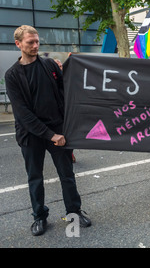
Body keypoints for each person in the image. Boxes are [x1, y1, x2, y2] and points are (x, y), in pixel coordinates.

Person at [5, 25, 91, 236]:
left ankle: (74, 211)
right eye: (30, 43)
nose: (35, 46)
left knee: (67, 175)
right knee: (35, 177)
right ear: (18, 44)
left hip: (58, 132)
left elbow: (65, 92)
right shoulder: (12, 75)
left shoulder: (50, 65)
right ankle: (39, 217)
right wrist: (50, 135)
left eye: (37, 42)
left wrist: (69, 125)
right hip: (32, 135)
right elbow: (23, 114)